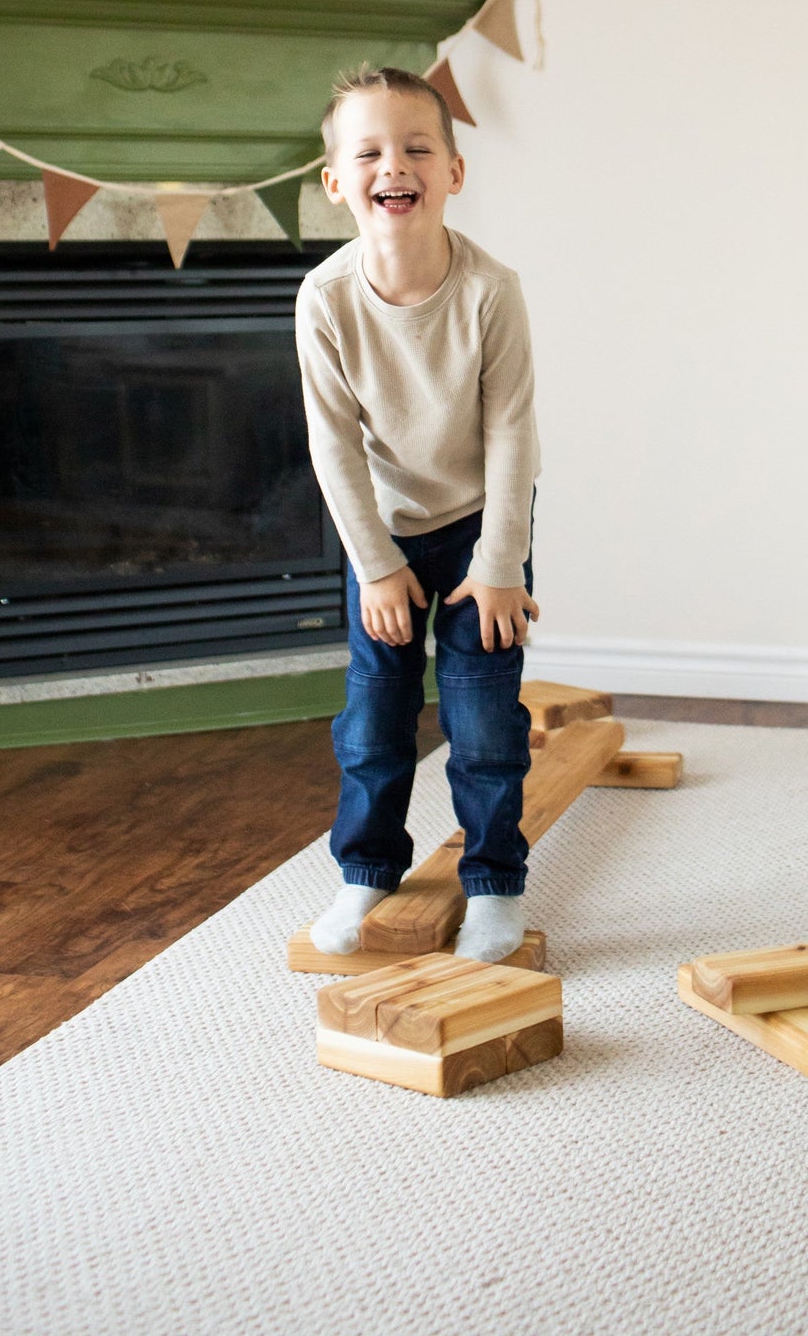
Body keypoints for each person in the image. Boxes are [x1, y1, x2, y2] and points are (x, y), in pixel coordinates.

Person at [295, 63, 541, 964]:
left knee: (482, 722)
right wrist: (374, 566)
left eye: (415, 147)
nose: (392, 165)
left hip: (483, 523)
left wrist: (501, 564)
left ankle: (493, 881)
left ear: (452, 171)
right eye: (368, 151)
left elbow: (512, 431)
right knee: (374, 718)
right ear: (335, 183)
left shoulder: (489, 290)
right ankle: (366, 868)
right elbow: (331, 445)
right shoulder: (324, 299)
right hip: (383, 531)